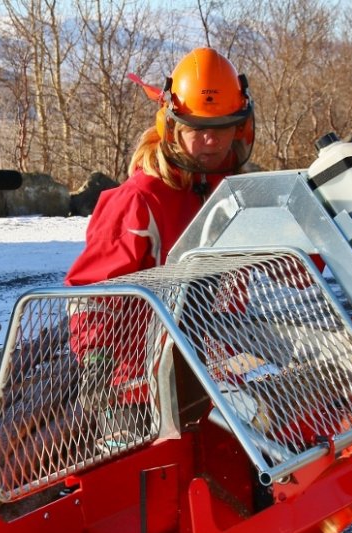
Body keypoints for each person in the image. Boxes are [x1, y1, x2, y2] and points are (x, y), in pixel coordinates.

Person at [63, 47, 255, 444]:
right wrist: (96, 361)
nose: (210, 139)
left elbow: (288, 263)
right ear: (171, 125)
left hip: (212, 370)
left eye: (222, 126)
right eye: (196, 127)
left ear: (241, 126)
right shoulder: (139, 200)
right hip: (137, 383)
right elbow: (93, 291)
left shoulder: (234, 192)